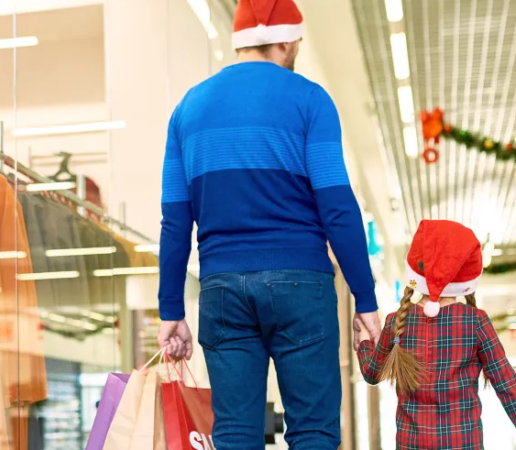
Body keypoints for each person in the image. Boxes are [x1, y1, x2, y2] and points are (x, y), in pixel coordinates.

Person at [154, 0, 382, 448]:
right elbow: (338, 207)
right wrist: (366, 299)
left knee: (235, 432)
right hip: (303, 284)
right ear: (284, 40)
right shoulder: (310, 100)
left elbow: (175, 221)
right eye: (296, 38)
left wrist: (171, 310)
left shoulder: (188, 109)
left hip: (222, 288)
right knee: (313, 430)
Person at [356, 220, 516, 450]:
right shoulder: (475, 322)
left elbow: (372, 373)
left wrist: (363, 340)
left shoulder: (396, 322)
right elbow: (507, 384)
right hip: (463, 444)